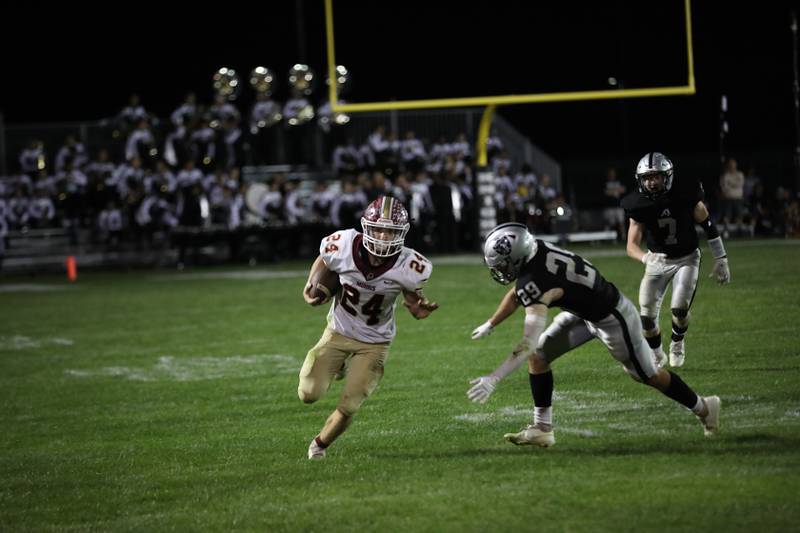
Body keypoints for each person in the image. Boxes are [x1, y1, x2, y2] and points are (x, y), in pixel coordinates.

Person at [467, 222, 720, 447]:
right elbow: (516, 294)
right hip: (584, 312)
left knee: (648, 375)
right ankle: (542, 429)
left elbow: (527, 342)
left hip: (612, 318)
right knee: (541, 357)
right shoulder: (536, 249)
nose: (501, 269)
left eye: (503, 264)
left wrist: (494, 377)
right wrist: (492, 323)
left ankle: (704, 407)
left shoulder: (536, 280)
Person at [299, 196, 439, 459]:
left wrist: (417, 307)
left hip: (375, 342)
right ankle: (338, 365)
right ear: (366, 227)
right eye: (379, 229)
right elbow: (323, 260)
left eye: (392, 231)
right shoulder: (341, 245)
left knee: (350, 404)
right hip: (338, 331)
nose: (384, 237)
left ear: (403, 233)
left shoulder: (411, 265)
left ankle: (319, 445)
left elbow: (412, 298)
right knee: (308, 394)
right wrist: (312, 283)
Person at [621, 152, 730, 368]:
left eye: (657, 177)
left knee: (680, 309)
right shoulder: (637, 203)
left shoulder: (685, 192)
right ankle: (656, 354)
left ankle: (677, 342)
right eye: (648, 178)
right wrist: (646, 258)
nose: (652, 182)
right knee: (647, 318)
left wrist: (721, 257)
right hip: (658, 261)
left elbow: (708, 224)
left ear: (667, 176)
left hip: (687, 258)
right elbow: (631, 246)